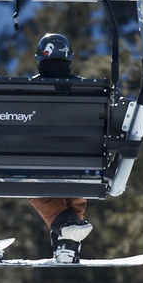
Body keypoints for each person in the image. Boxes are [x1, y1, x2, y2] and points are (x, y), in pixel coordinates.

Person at [29, 33, 94, 263]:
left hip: (32, 160)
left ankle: (65, 226)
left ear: (40, 59)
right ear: (69, 60)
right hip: (85, 161)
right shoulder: (90, 91)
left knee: (30, 177)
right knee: (77, 177)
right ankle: (67, 241)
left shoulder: (25, 90)